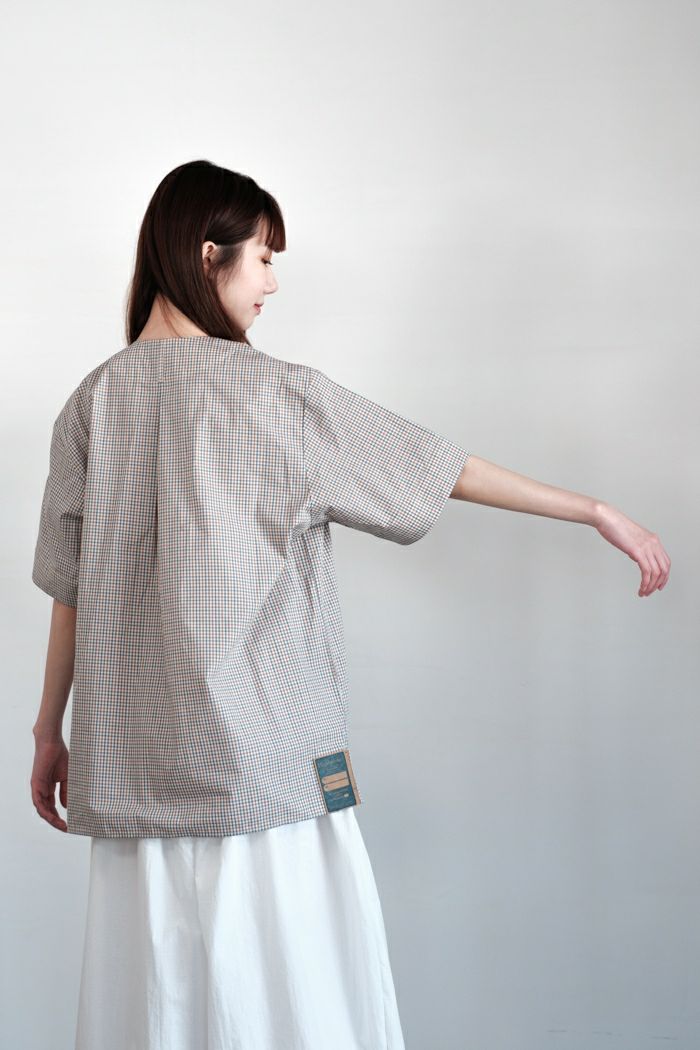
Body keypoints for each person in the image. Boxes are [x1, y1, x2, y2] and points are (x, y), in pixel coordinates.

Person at [29, 159, 671, 1050]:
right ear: (209, 255)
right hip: (268, 773)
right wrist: (593, 508)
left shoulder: (90, 404)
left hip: (131, 773)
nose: (272, 283)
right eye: (263, 259)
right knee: (292, 1000)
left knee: (154, 1004)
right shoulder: (276, 393)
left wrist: (49, 731)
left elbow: (70, 589)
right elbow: (437, 469)